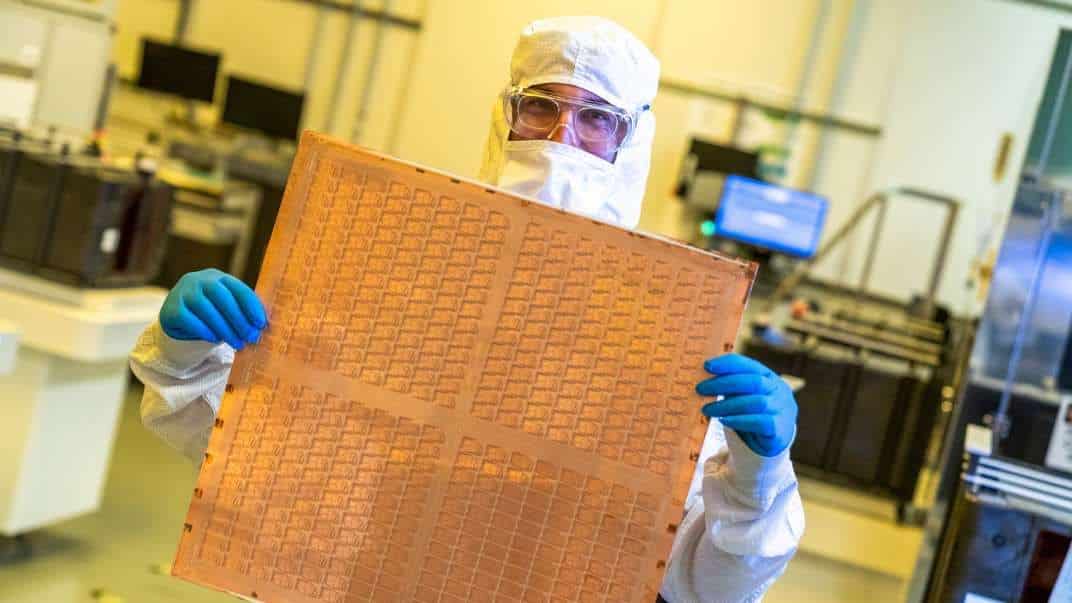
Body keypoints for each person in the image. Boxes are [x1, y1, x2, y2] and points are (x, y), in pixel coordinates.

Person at [131, 16, 803, 602]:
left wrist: (758, 475)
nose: (561, 139)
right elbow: (266, 449)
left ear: (631, 144)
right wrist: (184, 354)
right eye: (540, 108)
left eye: (597, 118)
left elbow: (707, 584)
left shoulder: (665, 329)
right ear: (505, 115)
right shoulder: (403, 270)